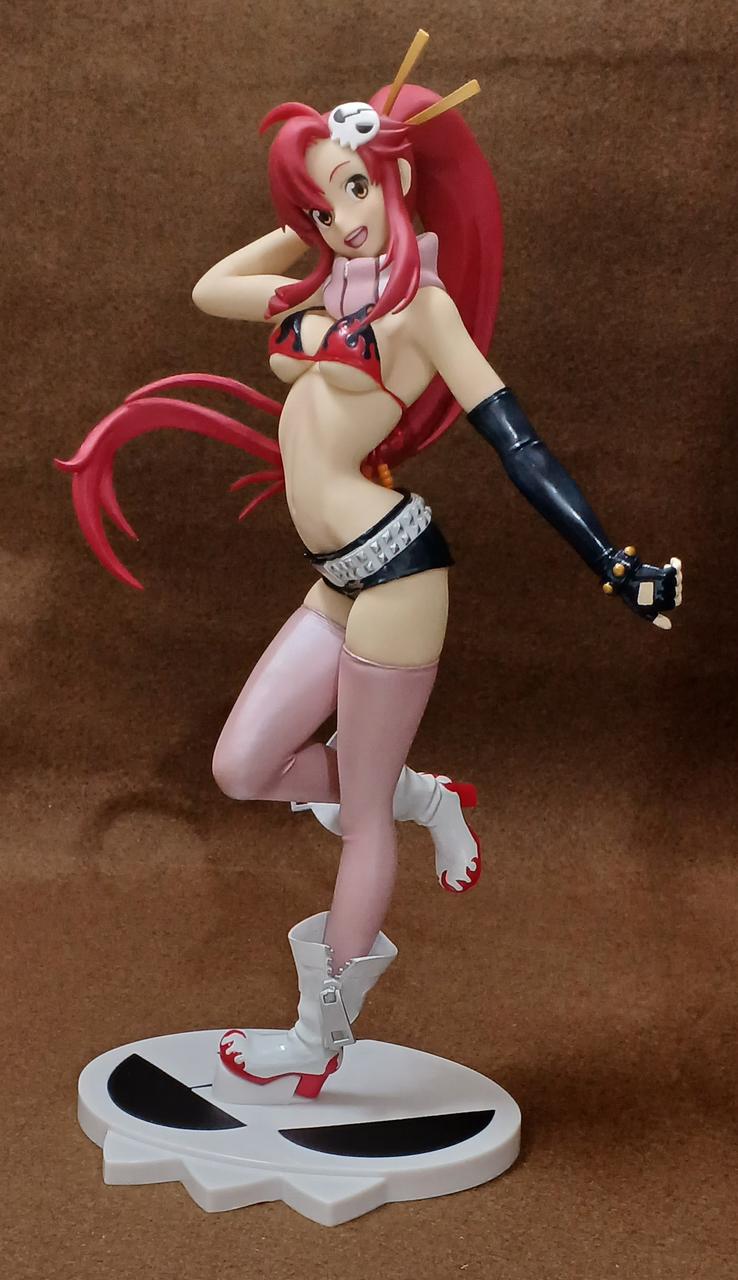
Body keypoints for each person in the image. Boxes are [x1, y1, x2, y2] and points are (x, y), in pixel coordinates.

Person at [56, 32, 682, 1104]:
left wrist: (611, 560)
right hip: (337, 576)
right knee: (242, 766)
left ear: (394, 177)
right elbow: (211, 287)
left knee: (355, 819)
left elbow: (517, 442)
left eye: (357, 189)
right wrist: (309, 203)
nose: (346, 217)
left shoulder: (422, 309)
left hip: (395, 573)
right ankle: (421, 797)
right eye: (323, 203)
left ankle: (320, 1032)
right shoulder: (320, 288)